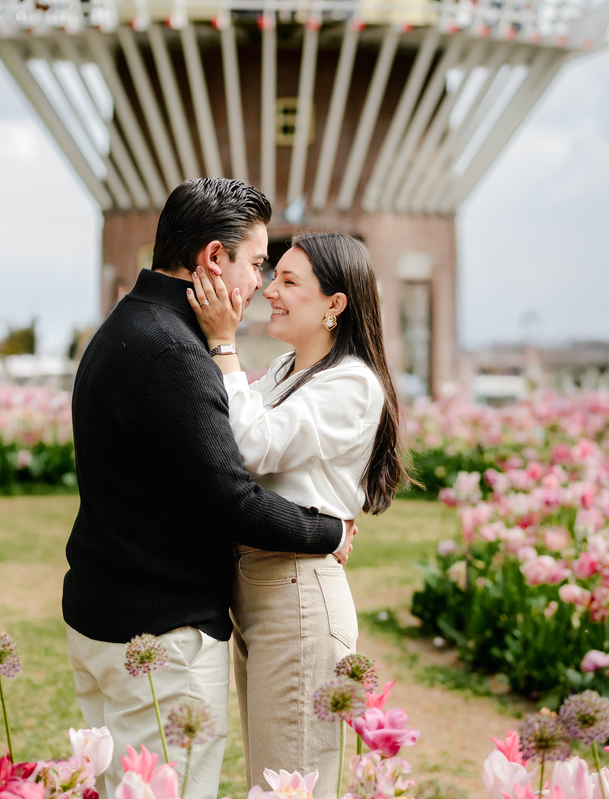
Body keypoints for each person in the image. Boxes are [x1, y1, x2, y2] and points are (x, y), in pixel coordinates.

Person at [62, 179, 355, 799]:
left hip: (101, 619)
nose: (259, 284)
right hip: (160, 636)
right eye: (254, 263)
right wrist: (328, 530)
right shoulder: (173, 351)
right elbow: (230, 499)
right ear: (212, 259)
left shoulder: (122, 324)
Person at [187, 232, 407, 799]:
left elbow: (250, 444)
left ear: (335, 304)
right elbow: (223, 433)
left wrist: (222, 342)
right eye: (273, 275)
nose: (269, 291)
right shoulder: (287, 369)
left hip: (298, 597)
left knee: (290, 782)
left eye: (289, 282)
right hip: (264, 591)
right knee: (272, 776)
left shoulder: (353, 383)